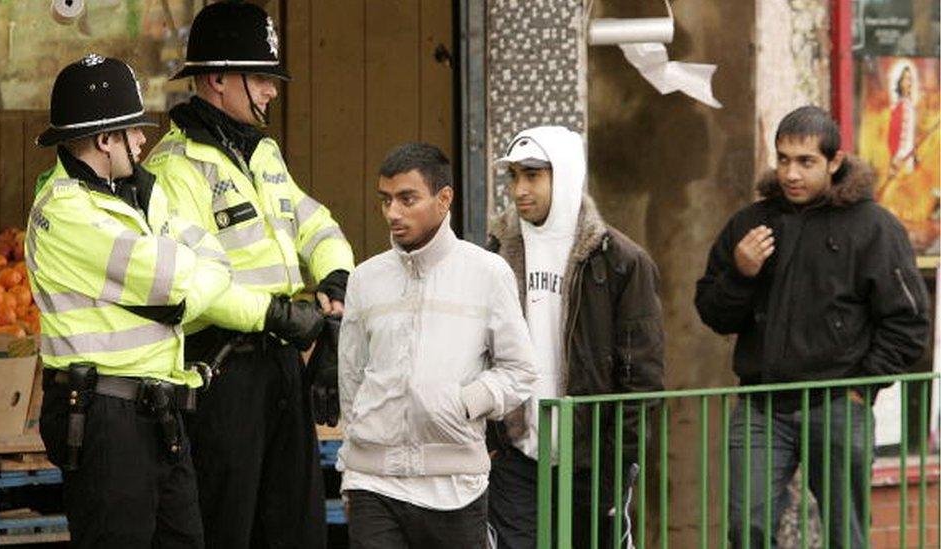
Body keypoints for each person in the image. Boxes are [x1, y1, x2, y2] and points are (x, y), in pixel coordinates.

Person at [143, 2, 355, 547]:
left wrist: (335, 287)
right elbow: (193, 283)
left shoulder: (263, 154)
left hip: (282, 363)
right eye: (261, 77)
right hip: (222, 372)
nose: (272, 91)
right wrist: (286, 315)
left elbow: (316, 223)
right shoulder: (173, 169)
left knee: (296, 526)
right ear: (216, 79)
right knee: (228, 528)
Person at [695, 106, 930, 547]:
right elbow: (712, 312)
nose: (791, 173)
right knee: (747, 525)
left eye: (806, 162)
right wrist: (741, 274)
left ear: (834, 162)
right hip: (762, 406)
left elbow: (908, 321)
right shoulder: (751, 223)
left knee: (846, 534)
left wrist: (862, 388)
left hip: (840, 404)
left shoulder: (873, 226)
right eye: (783, 159)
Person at [28, 54, 234, 547]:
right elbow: (177, 274)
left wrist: (184, 302)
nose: (144, 140)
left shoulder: (142, 195)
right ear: (105, 139)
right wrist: (185, 292)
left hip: (161, 413)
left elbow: (215, 258)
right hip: (106, 418)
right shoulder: (66, 211)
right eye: (134, 131)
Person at [337, 143, 538, 549]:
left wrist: (464, 403)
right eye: (386, 200)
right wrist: (350, 466)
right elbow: (351, 376)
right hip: (374, 483)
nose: (393, 212)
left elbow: (521, 370)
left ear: (444, 199)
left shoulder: (487, 272)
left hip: (455, 487)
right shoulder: (364, 278)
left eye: (407, 198)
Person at [485, 126, 665, 549]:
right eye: (513, 177)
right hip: (516, 457)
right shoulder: (494, 254)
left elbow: (643, 377)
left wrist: (619, 463)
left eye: (533, 175)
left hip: (592, 461)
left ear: (563, 174)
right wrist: (493, 443)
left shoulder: (620, 261)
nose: (519, 189)